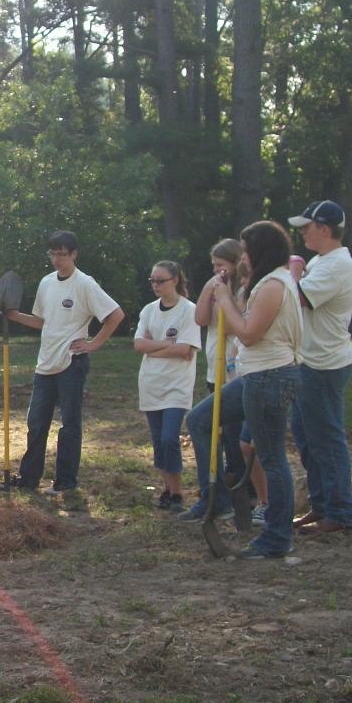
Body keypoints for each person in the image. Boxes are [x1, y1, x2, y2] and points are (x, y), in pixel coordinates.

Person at [189, 221, 303, 560]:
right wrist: (227, 295)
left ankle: (277, 538)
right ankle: (218, 498)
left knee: (271, 457)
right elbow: (246, 327)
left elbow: (248, 334)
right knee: (199, 420)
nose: (242, 259)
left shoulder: (274, 285)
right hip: (255, 375)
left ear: (261, 251)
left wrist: (223, 298)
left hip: (270, 376)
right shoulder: (263, 284)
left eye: (246, 251)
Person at [6, 231, 125, 494]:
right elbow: (41, 321)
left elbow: (115, 315)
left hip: (72, 363)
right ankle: (28, 479)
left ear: (74, 254)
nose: (57, 260)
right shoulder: (47, 283)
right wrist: (14, 316)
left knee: (69, 425)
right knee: (36, 423)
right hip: (45, 363)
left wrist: (93, 344)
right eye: (53, 254)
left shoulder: (85, 284)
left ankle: (65, 483)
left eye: (62, 254)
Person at [287, 201, 352, 536]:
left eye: (307, 226)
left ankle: (342, 513)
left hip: (324, 365)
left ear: (325, 229)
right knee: (306, 436)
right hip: (310, 362)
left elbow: (299, 296)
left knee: (326, 439)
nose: (302, 231)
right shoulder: (322, 260)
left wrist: (294, 271)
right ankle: (322, 504)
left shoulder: (337, 265)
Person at [181, 239, 247, 521]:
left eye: (221, 265)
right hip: (215, 370)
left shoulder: (245, 290)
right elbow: (200, 318)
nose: (217, 270)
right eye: (213, 266)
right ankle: (214, 494)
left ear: (235, 264)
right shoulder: (215, 287)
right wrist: (210, 288)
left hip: (237, 372)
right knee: (214, 433)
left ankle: (240, 494)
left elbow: (236, 325)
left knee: (235, 440)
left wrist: (225, 297)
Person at [132, 261, 200, 511]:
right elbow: (138, 345)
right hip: (151, 383)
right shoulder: (148, 310)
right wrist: (167, 346)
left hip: (176, 385)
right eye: (152, 280)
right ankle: (168, 490)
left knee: (170, 438)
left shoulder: (188, 310)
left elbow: (185, 350)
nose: (155, 285)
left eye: (161, 280)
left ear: (175, 280)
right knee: (158, 441)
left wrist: (155, 347)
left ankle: (178, 492)